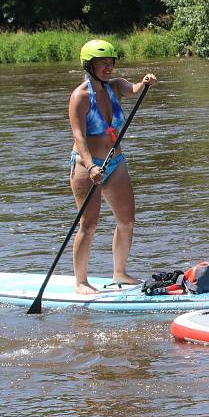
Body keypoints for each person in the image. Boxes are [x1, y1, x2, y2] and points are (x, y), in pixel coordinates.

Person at [67, 39, 157, 294]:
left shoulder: (115, 86)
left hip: (115, 162)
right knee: (89, 224)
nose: (108, 68)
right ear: (89, 65)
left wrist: (145, 82)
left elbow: (134, 88)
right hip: (87, 166)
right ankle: (81, 282)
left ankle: (120, 272)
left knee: (127, 220)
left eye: (111, 63)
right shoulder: (80, 96)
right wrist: (90, 166)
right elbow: (79, 136)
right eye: (102, 63)